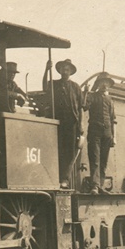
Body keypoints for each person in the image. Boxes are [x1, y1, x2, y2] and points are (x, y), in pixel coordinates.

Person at [43, 58, 83, 188]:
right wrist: (46, 70)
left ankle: (65, 179)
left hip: (71, 123)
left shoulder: (76, 87)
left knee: (70, 152)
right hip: (58, 121)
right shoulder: (54, 84)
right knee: (58, 150)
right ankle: (56, 177)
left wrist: (80, 125)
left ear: (71, 72)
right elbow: (45, 87)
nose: (65, 71)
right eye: (63, 69)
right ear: (59, 70)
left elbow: (80, 107)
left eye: (67, 69)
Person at [84, 72, 116, 194]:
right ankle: (95, 186)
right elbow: (84, 106)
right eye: (102, 82)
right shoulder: (92, 96)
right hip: (94, 131)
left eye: (107, 83)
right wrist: (86, 92)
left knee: (104, 160)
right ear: (98, 84)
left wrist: (114, 137)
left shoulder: (110, 100)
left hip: (107, 133)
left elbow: (113, 119)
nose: (104, 85)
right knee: (95, 159)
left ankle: (101, 185)